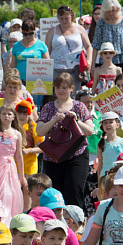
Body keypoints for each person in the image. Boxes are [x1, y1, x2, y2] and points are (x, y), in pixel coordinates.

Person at [35, 73, 94, 207]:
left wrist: (76, 120)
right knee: (55, 193)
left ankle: (75, 223)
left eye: (65, 88)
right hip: (54, 157)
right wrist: (54, 120)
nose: (61, 91)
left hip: (77, 154)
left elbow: (90, 131)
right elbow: (39, 131)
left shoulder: (79, 106)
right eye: (58, 87)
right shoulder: (48, 107)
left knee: (74, 189)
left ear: (72, 89)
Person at [0, 106, 27, 221]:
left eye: (9, 114)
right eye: (3, 114)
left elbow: (18, 155)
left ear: (14, 117)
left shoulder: (16, 134)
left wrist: (22, 176)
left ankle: (7, 219)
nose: (6, 116)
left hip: (9, 166)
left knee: (9, 193)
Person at [46, 5, 92, 91]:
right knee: (58, 93)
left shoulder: (80, 29)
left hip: (75, 69)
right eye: (61, 18)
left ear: (72, 17)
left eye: (66, 18)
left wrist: (88, 61)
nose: (64, 21)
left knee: (74, 93)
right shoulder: (52, 31)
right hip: (56, 68)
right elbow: (47, 50)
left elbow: (88, 46)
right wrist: (47, 66)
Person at [91, 0, 123, 76]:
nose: (111, 13)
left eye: (113, 10)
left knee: (122, 87)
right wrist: (92, 64)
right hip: (106, 62)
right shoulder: (101, 22)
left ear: (118, 9)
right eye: (108, 11)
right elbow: (96, 44)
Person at [8, 20, 50, 90]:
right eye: (25, 34)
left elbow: (48, 64)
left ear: (35, 31)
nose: (28, 36)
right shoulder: (16, 46)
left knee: (36, 101)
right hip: (20, 81)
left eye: (30, 34)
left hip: (37, 81)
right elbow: (13, 66)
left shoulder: (41, 45)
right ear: (22, 32)